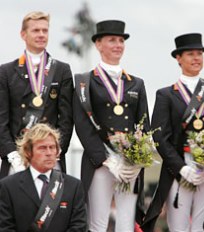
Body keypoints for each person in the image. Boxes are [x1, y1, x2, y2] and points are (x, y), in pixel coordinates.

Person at [141, 33, 204, 232]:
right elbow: (159, 136)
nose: (196, 58)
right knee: (178, 226)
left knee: (203, 226)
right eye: (190, 54)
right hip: (179, 169)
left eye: (200, 53)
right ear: (178, 59)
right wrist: (182, 168)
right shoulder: (166, 94)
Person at [73, 19, 150, 232]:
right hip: (100, 162)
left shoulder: (136, 83)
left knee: (126, 222)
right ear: (98, 44)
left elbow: (143, 125)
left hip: (128, 165)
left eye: (121, 40)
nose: (118, 45)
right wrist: (107, 160)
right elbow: (82, 125)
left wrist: (135, 160)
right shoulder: (84, 81)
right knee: (97, 222)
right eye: (112, 40)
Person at [0, 11, 73, 178]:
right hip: (17, 157)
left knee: (53, 204)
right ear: (23, 34)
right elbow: (1, 118)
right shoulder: (6, 72)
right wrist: (12, 154)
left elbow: (66, 119)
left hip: (51, 157)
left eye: (45, 30)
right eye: (35, 30)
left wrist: (56, 150)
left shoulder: (62, 70)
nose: (41, 35)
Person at [0, 123, 87, 232]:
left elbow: (79, 226)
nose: (49, 153)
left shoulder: (73, 186)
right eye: (42, 148)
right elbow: (5, 227)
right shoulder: (8, 187)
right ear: (28, 152)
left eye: (52, 147)